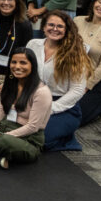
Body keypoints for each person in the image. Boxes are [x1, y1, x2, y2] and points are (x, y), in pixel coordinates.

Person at [25, 11, 91, 151]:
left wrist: (51, 108)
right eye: (51, 25)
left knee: (39, 139)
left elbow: (77, 90)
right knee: (10, 127)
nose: (55, 29)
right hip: (33, 99)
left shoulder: (75, 53)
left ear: (67, 30)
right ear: (44, 27)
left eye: (60, 26)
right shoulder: (33, 44)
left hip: (63, 106)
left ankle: (66, 137)